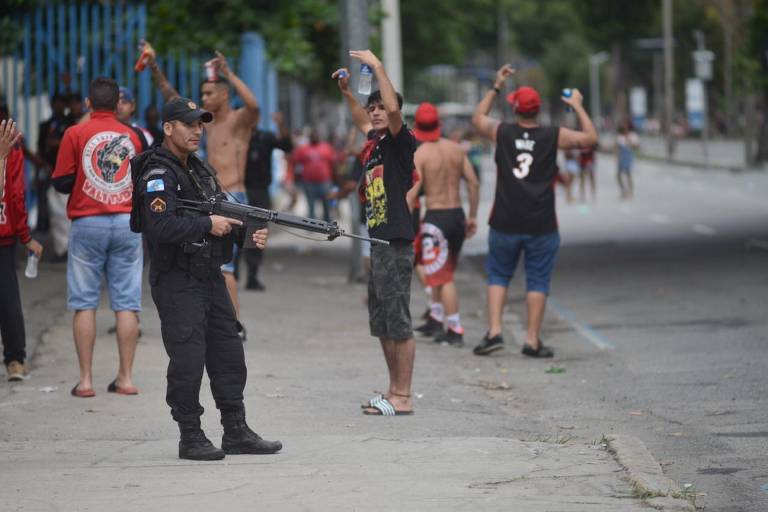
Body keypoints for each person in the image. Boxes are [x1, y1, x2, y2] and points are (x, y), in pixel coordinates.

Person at [130, 96, 281, 460]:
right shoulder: (158, 175)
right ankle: (190, 435)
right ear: (169, 128)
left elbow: (219, 218)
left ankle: (235, 430)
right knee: (188, 357)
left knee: (228, 351)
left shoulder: (198, 170)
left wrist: (246, 234)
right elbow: (159, 225)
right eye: (189, 124)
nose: (197, 131)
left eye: (200, 124)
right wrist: (206, 224)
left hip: (208, 275)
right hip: (177, 279)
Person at [471, 65, 597, 358]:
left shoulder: (501, 131)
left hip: (504, 219)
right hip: (541, 222)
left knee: (498, 275)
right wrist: (577, 106)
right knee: (537, 280)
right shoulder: (553, 135)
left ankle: (494, 332)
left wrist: (496, 86)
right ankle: (531, 340)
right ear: (538, 111)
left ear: (515, 108)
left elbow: (477, 119)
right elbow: (590, 138)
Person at [144, 41, 259, 340]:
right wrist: (155, 67)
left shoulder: (237, 122)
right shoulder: (200, 126)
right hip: (211, 200)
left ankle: (234, 326)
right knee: (215, 264)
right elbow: (173, 99)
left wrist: (229, 73)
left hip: (235, 195)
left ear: (223, 95)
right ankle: (222, 323)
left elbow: (254, 105)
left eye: (209, 93)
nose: (204, 98)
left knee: (227, 268)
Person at [332, 50, 417, 416]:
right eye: (374, 107)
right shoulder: (374, 144)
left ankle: (404, 395)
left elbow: (394, 113)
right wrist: (349, 93)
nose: (377, 111)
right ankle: (393, 388)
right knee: (381, 321)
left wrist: (379, 66)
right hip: (377, 242)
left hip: (395, 240)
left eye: (384, 106)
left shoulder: (400, 142)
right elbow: (359, 118)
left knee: (398, 320)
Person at [51, 77, 144, 397]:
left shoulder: (75, 133)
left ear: (89, 104)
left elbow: (61, 182)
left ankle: (87, 381)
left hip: (87, 223)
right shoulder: (133, 136)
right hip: (126, 223)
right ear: (118, 103)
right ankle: (126, 378)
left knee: (84, 302)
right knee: (127, 303)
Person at [411, 103, 480, 347]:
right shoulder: (456, 149)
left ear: (417, 128)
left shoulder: (421, 154)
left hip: (436, 217)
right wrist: (472, 215)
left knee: (443, 275)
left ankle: (455, 327)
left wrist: (405, 220)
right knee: (439, 270)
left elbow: (413, 191)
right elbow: (473, 182)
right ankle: (437, 318)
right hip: (457, 215)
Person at [0, 119, 43, 381]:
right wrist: (26, 236)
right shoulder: (10, 145)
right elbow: (15, 194)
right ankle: (15, 360)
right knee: (7, 298)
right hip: (4, 233)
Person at [243, 111, 293, 290]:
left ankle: (252, 276)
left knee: (256, 233)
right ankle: (230, 273)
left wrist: (281, 125)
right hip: (240, 192)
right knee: (233, 230)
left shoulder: (266, 137)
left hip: (260, 192)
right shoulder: (236, 138)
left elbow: (287, 147)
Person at [291, 129, 336, 222]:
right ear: (310, 137)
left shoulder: (326, 147)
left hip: (325, 181)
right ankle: (312, 224)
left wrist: (335, 179)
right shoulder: (303, 149)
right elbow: (294, 162)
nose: (314, 137)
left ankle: (327, 223)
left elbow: (333, 163)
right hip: (309, 182)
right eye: (312, 135)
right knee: (311, 204)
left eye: (316, 135)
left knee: (327, 204)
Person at [616, 119, 639, 199]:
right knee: (618, 175)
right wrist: (617, 157)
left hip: (628, 156)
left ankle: (630, 191)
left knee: (628, 174)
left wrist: (629, 141)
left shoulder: (633, 135)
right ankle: (623, 190)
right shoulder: (620, 136)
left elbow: (636, 146)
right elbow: (618, 148)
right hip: (622, 156)